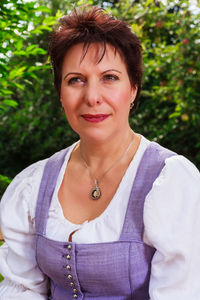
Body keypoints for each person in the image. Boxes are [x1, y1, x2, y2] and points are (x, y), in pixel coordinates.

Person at [0, 6, 200, 300]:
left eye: (109, 77)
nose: (92, 96)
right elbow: (21, 290)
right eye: (75, 80)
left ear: (132, 89)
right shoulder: (33, 185)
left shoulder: (171, 182)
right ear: (60, 94)